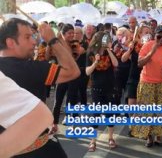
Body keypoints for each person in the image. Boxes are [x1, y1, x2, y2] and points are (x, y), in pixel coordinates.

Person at [0, 18, 78, 157]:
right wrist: (52, 40)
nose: (34, 41)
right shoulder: (30, 69)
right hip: (40, 151)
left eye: (33, 36)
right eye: (27, 37)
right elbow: (72, 71)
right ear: (10, 42)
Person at [131, 25, 162, 147]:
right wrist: (153, 50)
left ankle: (158, 137)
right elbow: (140, 63)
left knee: (159, 111)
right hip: (147, 82)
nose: (161, 39)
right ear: (154, 36)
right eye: (159, 37)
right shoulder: (147, 45)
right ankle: (149, 137)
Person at [0, 71, 54, 158]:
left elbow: (40, 116)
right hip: (37, 144)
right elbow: (72, 73)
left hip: (36, 143)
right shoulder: (37, 67)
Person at [86, 31, 119, 151]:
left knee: (110, 113)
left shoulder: (109, 52)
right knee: (96, 114)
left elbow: (116, 63)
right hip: (96, 87)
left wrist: (109, 50)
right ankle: (93, 140)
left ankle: (111, 138)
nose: (108, 41)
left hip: (110, 87)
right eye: (106, 40)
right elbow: (87, 72)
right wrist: (95, 62)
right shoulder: (90, 53)